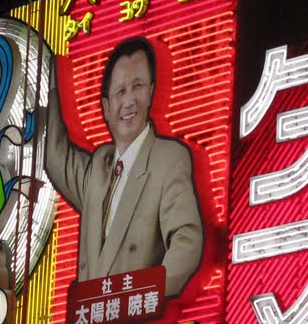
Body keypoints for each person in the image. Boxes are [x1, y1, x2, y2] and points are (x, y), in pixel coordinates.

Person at [42, 35, 203, 297]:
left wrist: (147, 294)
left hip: (139, 316)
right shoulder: (99, 167)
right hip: (90, 317)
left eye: (137, 87)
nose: (129, 101)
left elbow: (187, 240)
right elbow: (55, 157)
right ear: (106, 107)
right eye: (120, 92)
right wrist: (50, 82)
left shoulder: (168, 159)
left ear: (151, 92)